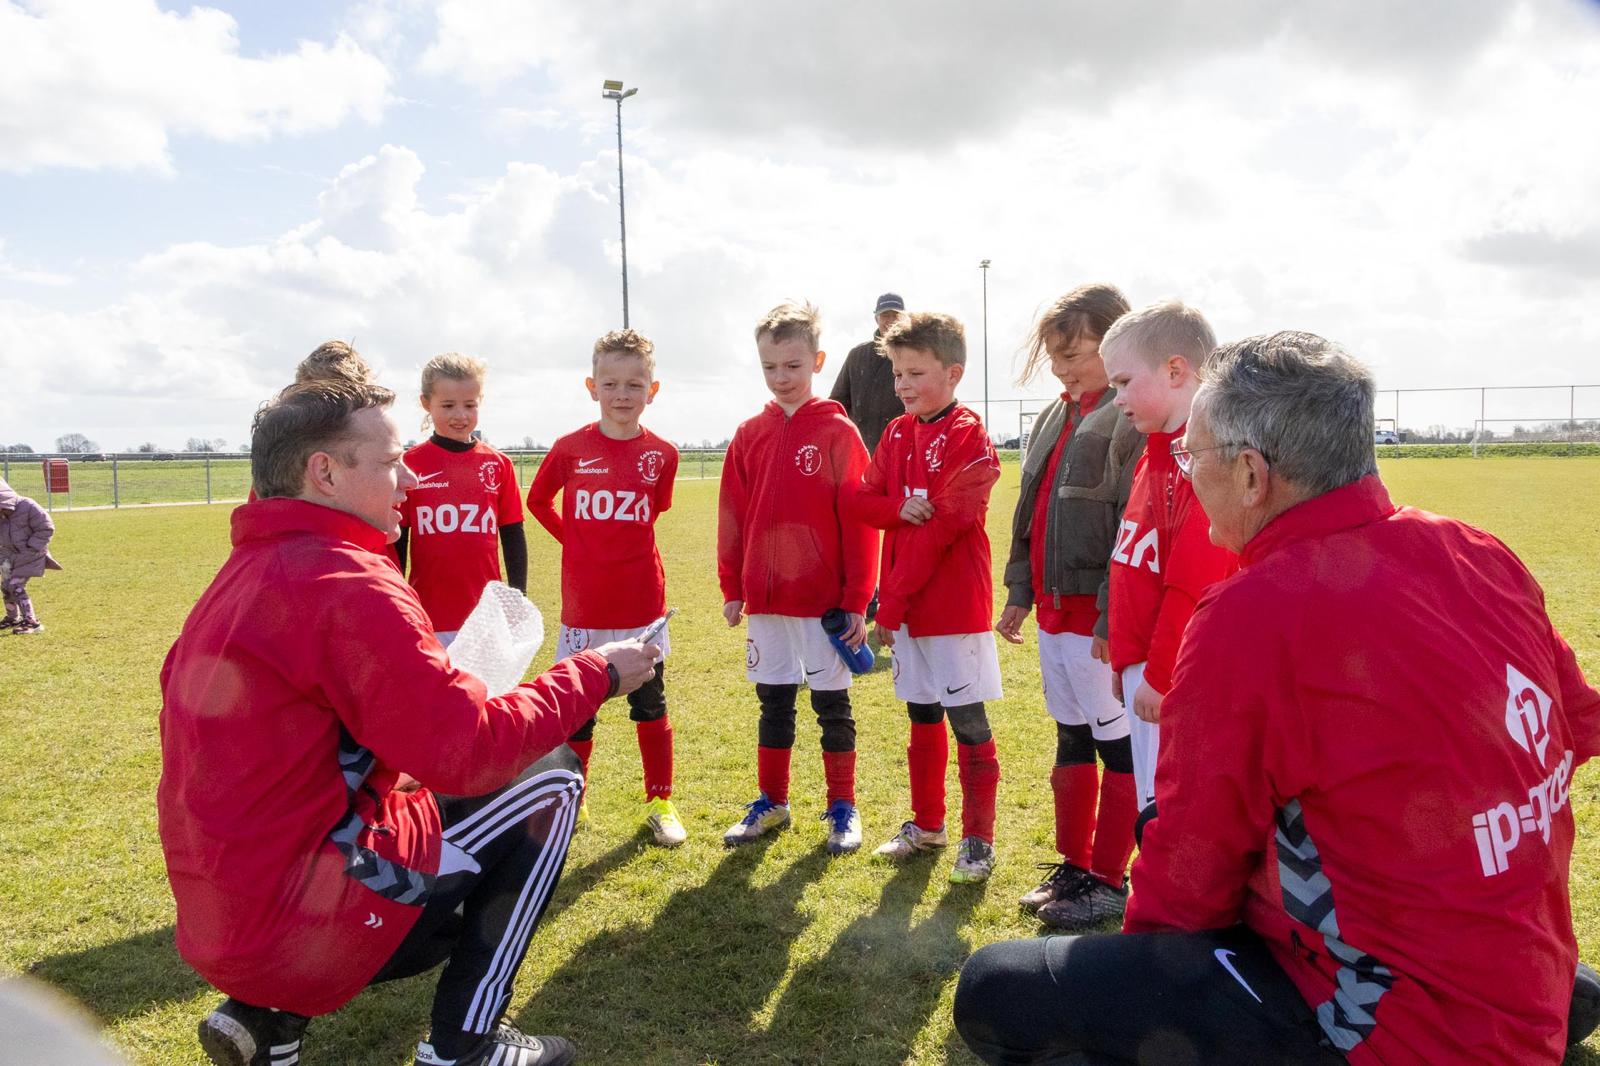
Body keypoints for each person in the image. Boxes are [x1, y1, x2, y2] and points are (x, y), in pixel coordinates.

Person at [953, 331, 1600, 1065]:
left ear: (1252, 474)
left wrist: (1141, 995)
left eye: (1192, 456)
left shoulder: (1255, 612)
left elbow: (1190, 875)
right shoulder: (1479, 551)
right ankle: (1544, 995)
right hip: (1515, 961)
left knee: (998, 987)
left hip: (1385, 1020)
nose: (1188, 472)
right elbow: (1578, 725)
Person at [159, 378, 660, 1066]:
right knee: (553, 777)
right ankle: (467, 1043)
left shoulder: (241, 574)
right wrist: (597, 672)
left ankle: (270, 1020)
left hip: (221, 922)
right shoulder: (346, 581)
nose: (411, 481)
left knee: (400, 798)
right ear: (324, 472)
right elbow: (470, 751)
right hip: (298, 926)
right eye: (392, 462)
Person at [996, 284, 1146, 928]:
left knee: (1118, 745)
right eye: (1054, 356)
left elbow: (1130, 529)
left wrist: (1114, 616)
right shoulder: (1051, 418)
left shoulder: (1128, 420)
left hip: (1096, 621)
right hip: (1055, 613)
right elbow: (1029, 515)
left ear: (1115, 345)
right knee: (1071, 735)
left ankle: (1109, 877)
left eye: (1073, 354)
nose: (1060, 368)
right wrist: (1019, 591)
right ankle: (1075, 866)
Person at [846, 311, 1004, 883]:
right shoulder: (896, 433)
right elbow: (862, 501)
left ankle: (978, 840)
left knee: (968, 720)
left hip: (951, 606)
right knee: (921, 714)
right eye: (897, 374)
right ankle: (929, 824)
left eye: (915, 373)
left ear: (953, 373)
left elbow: (944, 528)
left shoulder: (967, 435)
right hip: (906, 605)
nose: (902, 385)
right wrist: (897, 508)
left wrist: (890, 605)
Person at [717, 301, 879, 854]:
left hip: (822, 603)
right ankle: (773, 801)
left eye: (793, 365)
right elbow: (732, 515)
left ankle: (843, 807)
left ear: (817, 361)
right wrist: (732, 587)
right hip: (766, 604)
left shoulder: (838, 431)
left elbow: (860, 523)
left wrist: (857, 599)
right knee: (773, 703)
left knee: (832, 706)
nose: (781, 377)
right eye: (770, 367)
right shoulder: (748, 434)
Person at [525, 329, 685, 847]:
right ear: (592, 387)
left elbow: (654, 510)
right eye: (610, 383)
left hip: (642, 601)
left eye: (634, 384)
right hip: (585, 604)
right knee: (578, 709)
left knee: (651, 704)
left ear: (651, 390)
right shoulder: (570, 448)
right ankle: (573, 797)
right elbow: (538, 501)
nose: (622, 394)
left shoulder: (662, 454)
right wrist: (575, 541)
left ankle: (660, 801)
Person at [1100, 300, 1237, 823]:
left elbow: (1193, 584)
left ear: (1176, 371)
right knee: (1153, 809)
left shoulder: (1203, 462)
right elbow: (1136, 567)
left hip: (1177, 675)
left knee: (1173, 817)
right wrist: (1126, 660)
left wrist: (1158, 674)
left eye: (1123, 382)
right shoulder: (1156, 455)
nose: (1117, 398)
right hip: (1149, 667)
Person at [394, 353, 528, 645]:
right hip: (427, 614)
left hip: (485, 615)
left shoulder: (498, 464)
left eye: (470, 405)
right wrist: (394, 600)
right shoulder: (410, 465)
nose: (460, 415)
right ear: (426, 403)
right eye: (448, 405)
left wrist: (518, 596)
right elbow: (397, 540)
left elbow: (512, 534)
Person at [829, 292, 907, 455]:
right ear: (876, 319)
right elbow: (837, 405)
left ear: (905, 319)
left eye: (895, 315)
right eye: (885, 315)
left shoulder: (915, 357)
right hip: (860, 454)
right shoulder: (856, 356)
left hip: (901, 453)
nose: (890, 320)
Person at [0, 476, 60, 635]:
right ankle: (12, 618)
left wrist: (31, 547)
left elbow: (46, 527)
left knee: (16, 586)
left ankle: (32, 622)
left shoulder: (27, 505)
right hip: (7, 556)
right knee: (6, 587)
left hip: (31, 556)